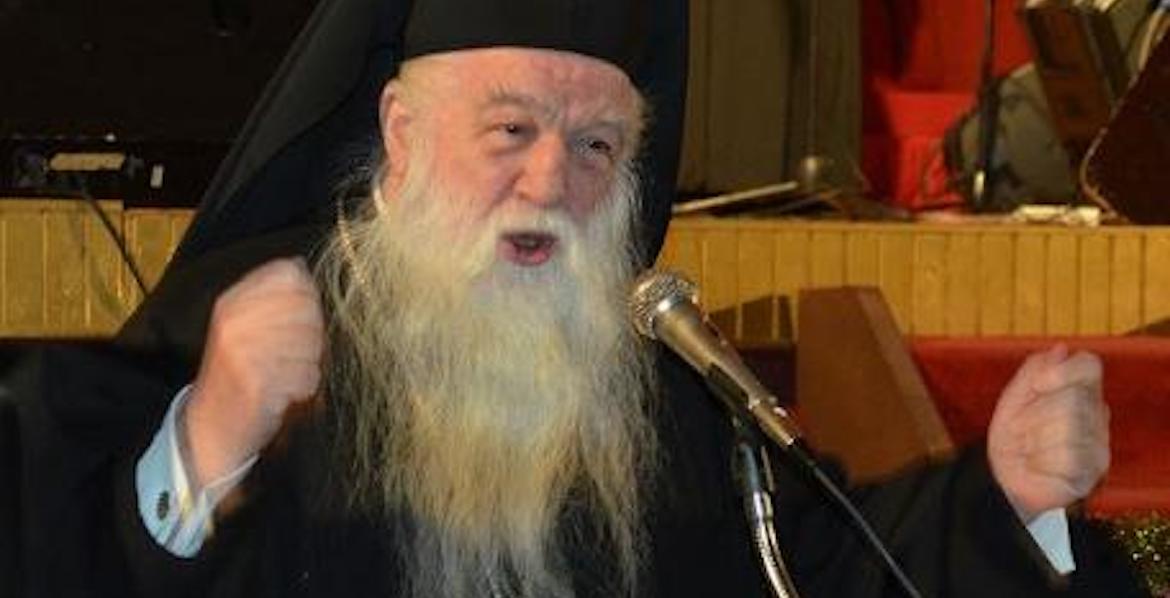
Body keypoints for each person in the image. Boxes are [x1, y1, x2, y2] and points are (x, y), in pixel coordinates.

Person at [55, 0, 1137, 596]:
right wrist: (200, 454)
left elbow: (821, 569)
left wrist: (1008, 497)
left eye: (596, 146)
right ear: (400, 133)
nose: (549, 183)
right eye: (511, 130)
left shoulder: (654, 383)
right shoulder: (230, 331)